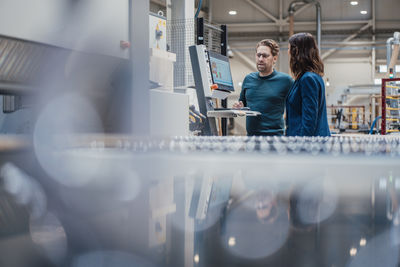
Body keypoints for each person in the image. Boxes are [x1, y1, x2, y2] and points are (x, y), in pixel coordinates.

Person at [233, 39, 293, 136]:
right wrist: (238, 108)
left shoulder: (286, 81)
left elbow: (296, 109)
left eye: (265, 56)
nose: (260, 59)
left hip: (276, 139)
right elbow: (242, 107)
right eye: (258, 55)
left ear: (274, 58)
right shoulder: (248, 79)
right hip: (251, 138)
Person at [286, 33, 331, 136]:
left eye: (289, 49)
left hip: (307, 144)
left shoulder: (308, 79)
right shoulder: (312, 77)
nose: (288, 53)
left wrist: (301, 146)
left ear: (296, 52)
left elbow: (309, 120)